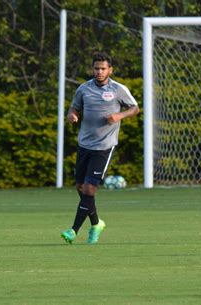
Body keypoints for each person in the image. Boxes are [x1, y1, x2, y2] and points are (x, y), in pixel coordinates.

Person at [61, 52, 140, 244]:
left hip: (104, 147)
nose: (99, 71)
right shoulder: (83, 89)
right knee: (81, 188)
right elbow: (74, 107)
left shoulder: (118, 89)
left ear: (110, 70)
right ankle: (96, 223)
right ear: (92, 69)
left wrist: (119, 116)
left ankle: (73, 230)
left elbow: (135, 108)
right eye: (96, 68)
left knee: (89, 188)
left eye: (103, 68)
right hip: (84, 144)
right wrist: (72, 115)